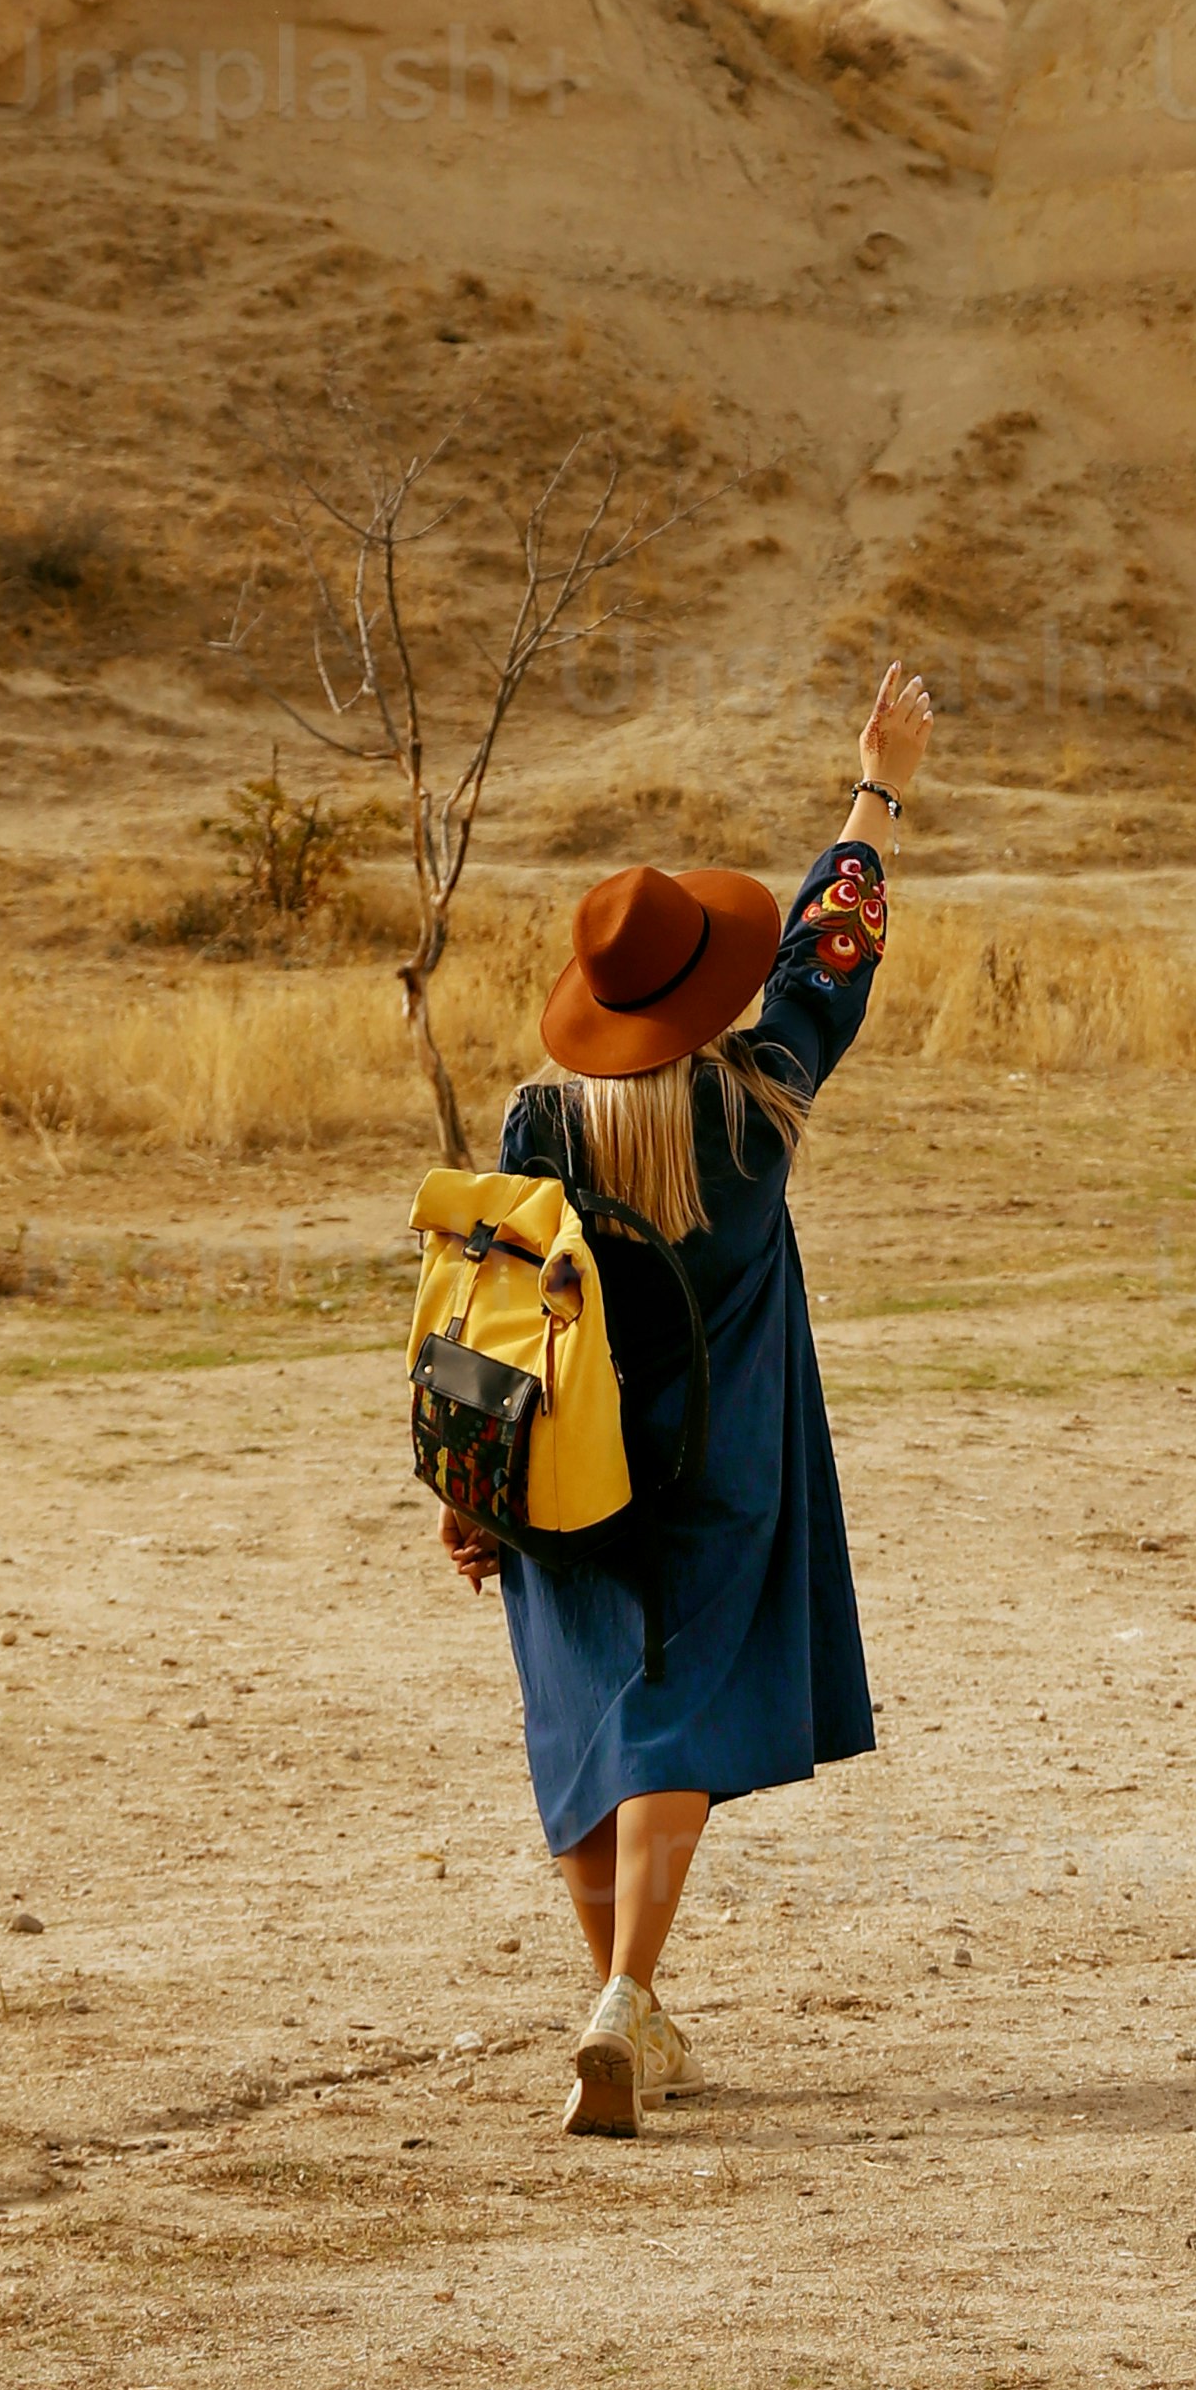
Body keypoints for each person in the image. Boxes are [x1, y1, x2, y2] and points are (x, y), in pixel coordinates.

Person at [452, 656, 934, 2134]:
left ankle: (627, 2001)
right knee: (673, 1731)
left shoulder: (539, 1118)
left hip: (561, 1467)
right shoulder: (763, 1092)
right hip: (717, 1466)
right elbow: (831, 946)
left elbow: (486, 1307)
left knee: (587, 1726)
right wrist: (878, 785)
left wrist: (470, 1494)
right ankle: (624, 2000)